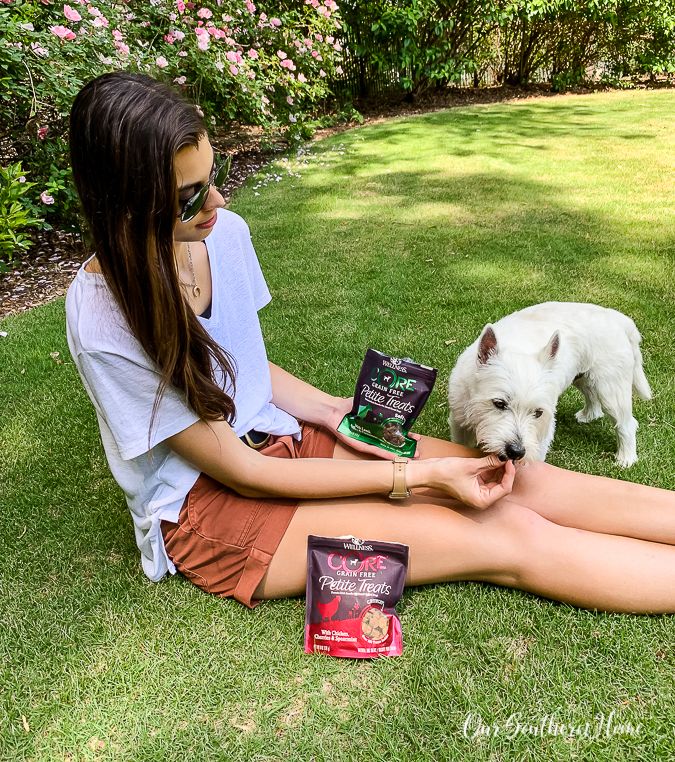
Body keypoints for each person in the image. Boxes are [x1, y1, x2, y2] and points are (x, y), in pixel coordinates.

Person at [66, 71, 675, 615]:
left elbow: (243, 366)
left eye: (213, 178)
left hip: (281, 436)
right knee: (507, 534)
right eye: (188, 197)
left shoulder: (223, 233)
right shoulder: (102, 321)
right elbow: (244, 473)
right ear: (125, 202)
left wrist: (337, 415)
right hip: (211, 506)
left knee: (518, 479)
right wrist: (416, 476)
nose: (218, 202)